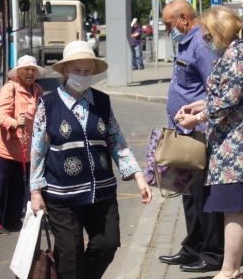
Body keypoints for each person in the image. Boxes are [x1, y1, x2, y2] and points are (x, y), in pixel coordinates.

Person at [29, 41, 152, 279]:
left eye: (87, 71)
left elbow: (116, 140)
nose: (83, 76)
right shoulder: (48, 104)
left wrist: (138, 176)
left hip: (101, 191)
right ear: (66, 71)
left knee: (107, 244)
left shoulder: (102, 102)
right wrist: (36, 191)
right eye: (77, 70)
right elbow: (37, 149)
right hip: (62, 196)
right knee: (69, 254)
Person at [176, 6, 243, 279]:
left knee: (234, 209)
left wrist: (196, 118)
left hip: (237, 144)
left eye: (207, 35)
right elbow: (230, 95)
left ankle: (230, 269)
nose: (206, 40)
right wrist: (199, 105)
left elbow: (228, 100)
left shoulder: (235, 56)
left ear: (219, 31)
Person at [157, 0, 224, 273]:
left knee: (203, 195)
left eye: (168, 24)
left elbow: (215, 89)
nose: (166, 29)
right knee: (188, 194)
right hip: (184, 132)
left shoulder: (200, 44)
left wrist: (198, 118)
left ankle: (212, 253)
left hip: (198, 132)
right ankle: (192, 247)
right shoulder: (187, 42)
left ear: (184, 18)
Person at [0, 55, 45, 234]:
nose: (29, 73)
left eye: (33, 70)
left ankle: (12, 221)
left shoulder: (37, 91)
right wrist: (15, 123)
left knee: (18, 188)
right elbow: (0, 115)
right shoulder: (9, 89)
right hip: (3, 146)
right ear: (18, 72)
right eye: (26, 70)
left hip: (24, 148)